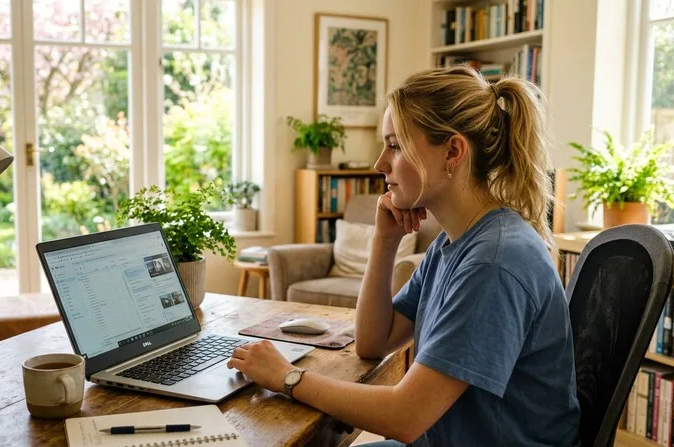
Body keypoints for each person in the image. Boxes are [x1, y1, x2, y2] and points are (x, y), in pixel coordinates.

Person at [226, 65, 580, 446]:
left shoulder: (493, 263)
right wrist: (385, 240)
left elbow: (405, 415)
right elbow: (373, 341)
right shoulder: (453, 244)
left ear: (453, 152)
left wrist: (286, 377)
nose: (380, 163)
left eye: (395, 145)